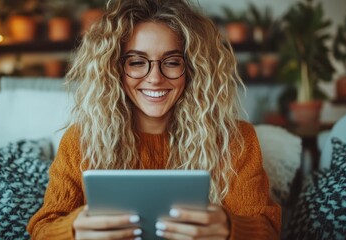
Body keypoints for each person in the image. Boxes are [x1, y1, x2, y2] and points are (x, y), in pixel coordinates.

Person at [27, 0, 281, 239]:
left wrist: (229, 229)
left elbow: (268, 230)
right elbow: (43, 227)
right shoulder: (81, 140)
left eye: (171, 61)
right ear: (114, 69)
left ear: (192, 69)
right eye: (137, 62)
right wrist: (72, 230)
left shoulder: (236, 140)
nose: (155, 78)